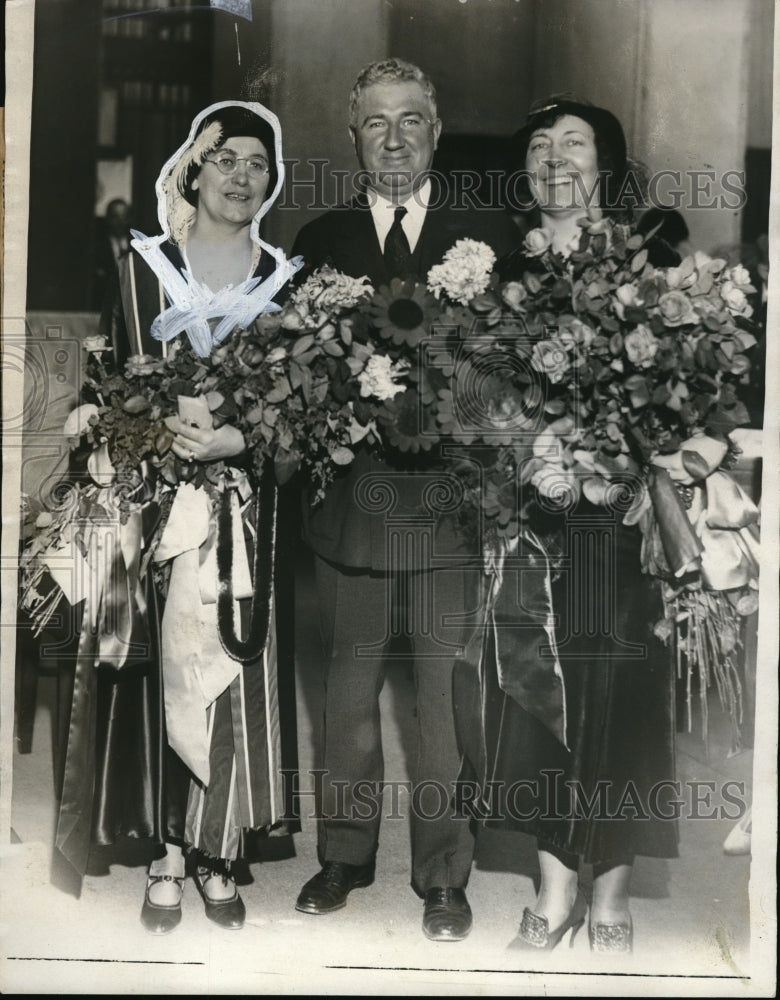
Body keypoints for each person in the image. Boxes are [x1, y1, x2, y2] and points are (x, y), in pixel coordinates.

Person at [54, 101, 301, 933]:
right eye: (225, 158)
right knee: (160, 670)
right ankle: (165, 850)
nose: (242, 175)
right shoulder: (140, 269)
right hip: (155, 508)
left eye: (258, 164)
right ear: (192, 170)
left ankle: (218, 849)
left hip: (247, 511)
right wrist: (140, 435)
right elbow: (108, 383)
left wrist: (241, 438)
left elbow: (306, 409)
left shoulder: (286, 283)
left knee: (231, 663)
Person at [290, 58, 519, 941]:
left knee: (441, 702)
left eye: (411, 120)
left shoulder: (486, 232)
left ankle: (444, 874)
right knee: (346, 695)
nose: (394, 139)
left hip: (450, 505)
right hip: (354, 504)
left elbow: (510, 371)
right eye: (376, 122)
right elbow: (297, 375)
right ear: (353, 137)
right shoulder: (319, 238)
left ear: (436, 131)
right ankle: (344, 855)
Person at [462, 96, 680, 955]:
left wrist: (626, 456)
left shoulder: (648, 264)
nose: (554, 158)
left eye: (575, 144)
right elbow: (474, 398)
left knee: (621, 696)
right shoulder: (495, 276)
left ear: (607, 166)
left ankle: (614, 894)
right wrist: (520, 451)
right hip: (535, 516)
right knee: (540, 694)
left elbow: (677, 390)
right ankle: (554, 890)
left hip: (621, 517)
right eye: (540, 146)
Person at [91, 197, 132, 311]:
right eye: (115, 217)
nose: (120, 222)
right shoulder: (97, 246)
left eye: (123, 217)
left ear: (128, 219)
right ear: (108, 219)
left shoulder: (136, 244)